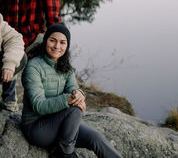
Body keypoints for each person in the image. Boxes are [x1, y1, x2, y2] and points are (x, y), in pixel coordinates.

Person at [21, 23, 122, 158]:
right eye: (53, 40)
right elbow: (38, 106)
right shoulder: (33, 67)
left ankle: (63, 147)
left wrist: (79, 94)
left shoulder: (66, 67)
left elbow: (73, 87)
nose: (57, 46)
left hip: (60, 123)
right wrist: (69, 99)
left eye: (62, 42)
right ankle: (65, 152)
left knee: (96, 138)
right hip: (37, 128)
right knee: (74, 109)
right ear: (45, 41)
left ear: (67, 46)